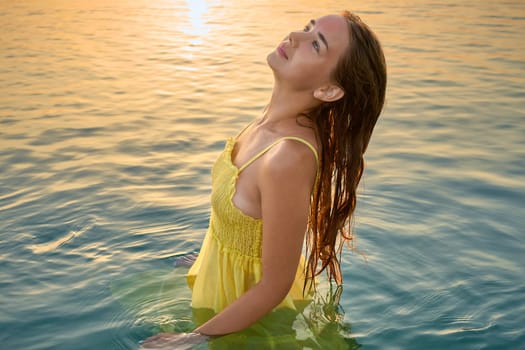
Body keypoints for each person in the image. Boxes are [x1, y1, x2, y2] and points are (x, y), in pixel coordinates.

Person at [142, 10, 386, 348]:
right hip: (220, 282)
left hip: (252, 310)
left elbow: (275, 284)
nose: (295, 37)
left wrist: (191, 339)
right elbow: (244, 220)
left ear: (329, 90)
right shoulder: (265, 124)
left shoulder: (289, 156)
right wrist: (206, 257)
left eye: (316, 44)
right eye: (306, 28)